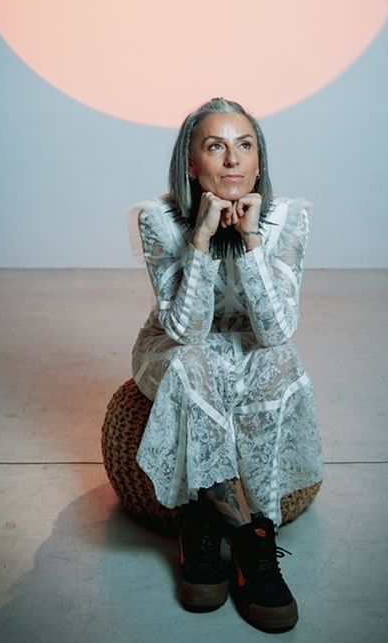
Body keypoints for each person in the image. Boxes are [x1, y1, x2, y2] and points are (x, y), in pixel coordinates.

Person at [130, 97, 324, 633]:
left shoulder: (289, 218)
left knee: (282, 359)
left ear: (259, 162)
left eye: (245, 146)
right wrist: (200, 239)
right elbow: (185, 331)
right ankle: (250, 541)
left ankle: (204, 517)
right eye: (215, 146)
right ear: (192, 164)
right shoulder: (158, 220)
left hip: (250, 343)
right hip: (173, 348)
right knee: (193, 363)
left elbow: (276, 331)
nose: (233, 159)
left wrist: (252, 239)